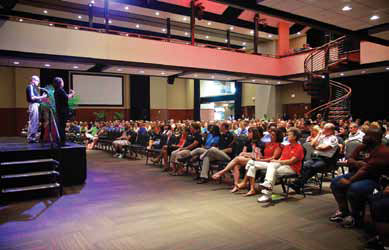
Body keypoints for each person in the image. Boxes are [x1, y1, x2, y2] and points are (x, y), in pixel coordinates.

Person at [329, 128, 389, 228]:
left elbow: (365, 169)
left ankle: (356, 217)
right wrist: (357, 163)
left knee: (355, 188)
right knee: (335, 182)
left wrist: (349, 181)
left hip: (374, 179)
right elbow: (349, 159)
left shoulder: (383, 151)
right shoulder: (362, 147)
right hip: (357, 173)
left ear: (375, 138)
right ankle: (344, 211)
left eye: (367, 135)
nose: (364, 137)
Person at [289, 123, 338, 193]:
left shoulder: (333, 138)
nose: (322, 129)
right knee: (304, 165)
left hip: (326, 160)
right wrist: (319, 135)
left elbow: (324, 148)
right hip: (316, 158)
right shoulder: (322, 136)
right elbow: (312, 144)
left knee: (313, 167)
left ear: (330, 130)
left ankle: (297, 184)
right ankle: (299, 184)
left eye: (324, 128)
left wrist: (318, 147)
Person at [211, 127, 263, 193]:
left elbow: (256, 155)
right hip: (247, 159)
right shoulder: (248, 141)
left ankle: (222, 172)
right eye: (248, 132)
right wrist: (247, 154)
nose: (248, 134)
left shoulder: (259, 143)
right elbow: (243, 152)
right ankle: (236, 185)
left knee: (237, 159)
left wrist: (246, 154)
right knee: (236, 164)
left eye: (250, 132)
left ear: (254, 134)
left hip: (256, 160)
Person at [236, 128, 283, 196]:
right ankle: (252, 189)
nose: (270, 136)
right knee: (251, 166)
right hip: (264, 162)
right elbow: (262, 154)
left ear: (277, 136)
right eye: (270, 134)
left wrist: (260, 159)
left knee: (251, 162)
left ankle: (244, 182)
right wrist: (258, 155)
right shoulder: (268, 144)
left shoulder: (278, 145)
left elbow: (273, 158)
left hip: (271, 164)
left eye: (273, 135)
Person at [53, 77, 75, 145]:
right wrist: (72, 94)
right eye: (62, 81)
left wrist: (70, 95)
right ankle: (62, 142)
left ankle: (61, 141)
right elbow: (66, 97)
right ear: (60, 83)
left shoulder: (57, 90)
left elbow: (65, 97)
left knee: (61, 126)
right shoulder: (60, 90)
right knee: (62, 126)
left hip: (59, 110)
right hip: (62, 111)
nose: (63, 82)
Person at [26, 75, 47, 143]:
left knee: (35, 122)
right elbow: (32, 98)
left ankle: (33, 138)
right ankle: (31, 138)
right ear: (33, 80)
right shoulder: (30, 87)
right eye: (38, 81)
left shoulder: (34, 88)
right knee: (33, 122)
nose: (38, 83)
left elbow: (37, 98)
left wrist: (42, 98)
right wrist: (42, 96)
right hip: (33, 105)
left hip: (36, 105)